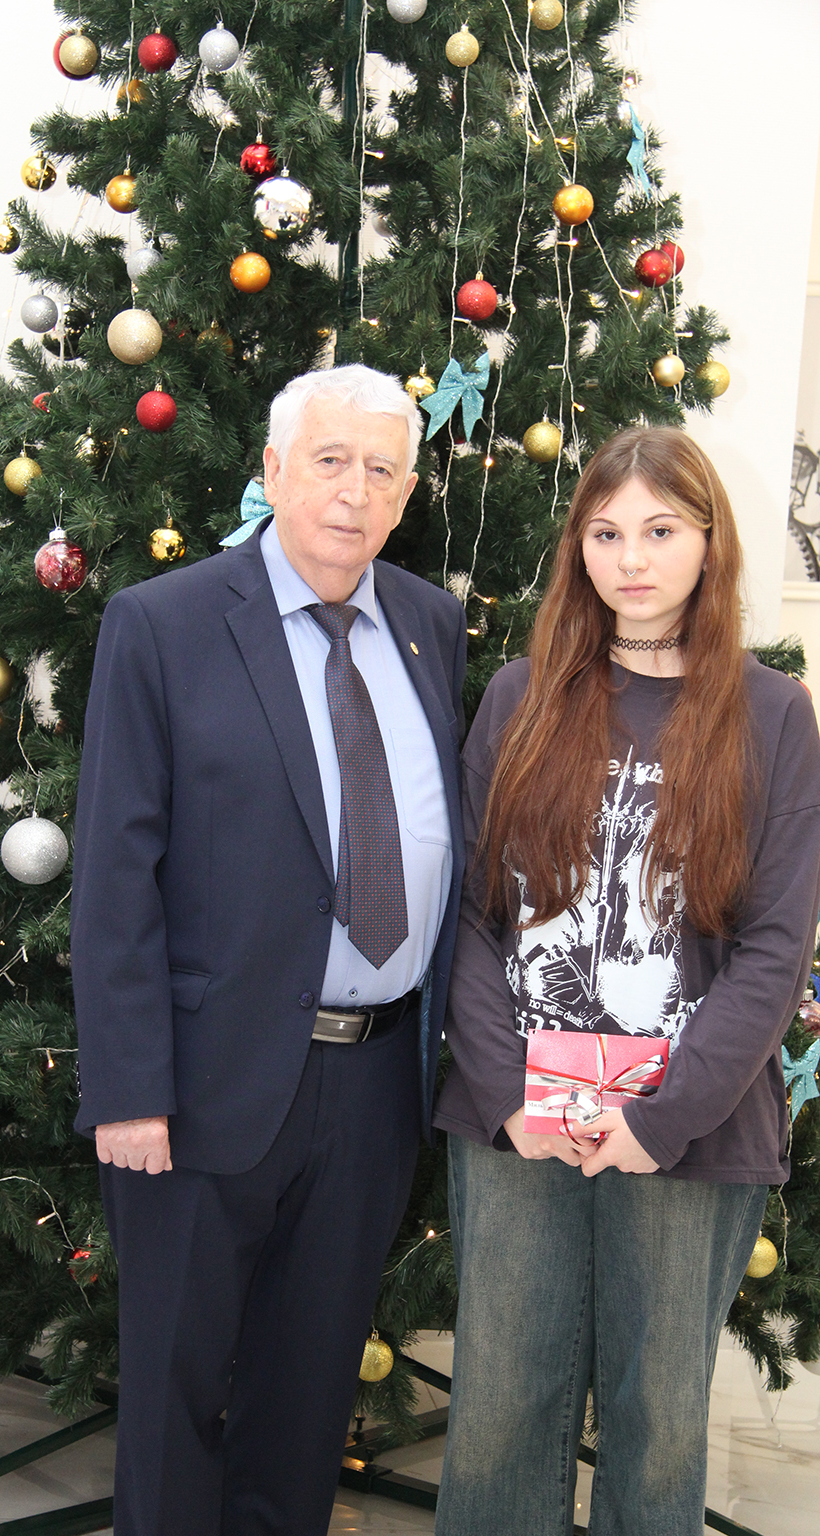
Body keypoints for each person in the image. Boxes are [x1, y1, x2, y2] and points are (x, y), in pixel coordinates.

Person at [70, 364, 466, 1536]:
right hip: (204, 1083)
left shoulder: (428, 625)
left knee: (305, 1401)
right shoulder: (164, 625)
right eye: (330, 461)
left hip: (375, 1083)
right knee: (175, 1396)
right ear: (274, 470)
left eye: (381, 470)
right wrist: (128, 1089)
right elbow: (114, 878)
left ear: (406, 495)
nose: (354, 492)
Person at [432, 427, 820, 1536]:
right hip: (521, 1119)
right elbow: (469, 915)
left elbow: (774, 947)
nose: (632, 560)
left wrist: (663, 1119)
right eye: (605, 534)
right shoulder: (519, 697)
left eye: (660, 530)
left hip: (687, 1128)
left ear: (708, 542)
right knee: (499, 1411)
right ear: (578, 549)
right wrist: (508, 1095)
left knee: (657, 1424)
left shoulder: (772, 713)